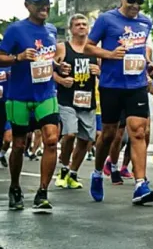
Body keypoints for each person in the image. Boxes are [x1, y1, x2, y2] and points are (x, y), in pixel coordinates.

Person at [86, 0, 153, 205]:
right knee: (108, 135)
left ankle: (140, 184)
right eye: (132, 1)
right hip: (111, 85)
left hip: (136, 85)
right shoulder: (107, 20)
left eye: (139, 2)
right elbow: (88, 47)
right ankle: (97, 172)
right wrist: (109, 54)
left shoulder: (145, 22)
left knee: (138, 132)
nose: (135, 6)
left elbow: (141, 50)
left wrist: (149, 65)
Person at [0, 0, 65, 211]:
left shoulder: (51, 30)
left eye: (47, 3)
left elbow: (49, 58)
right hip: (19, 96)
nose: (44, 7)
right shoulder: (15, 30)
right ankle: (15, 187)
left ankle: (42, 192)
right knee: (18, 145)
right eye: (39, 4)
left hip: (46, 93)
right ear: (27, 5)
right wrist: (17, 57)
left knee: (51, 139)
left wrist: (59, 66)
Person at [54, 14, 100, 190]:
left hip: (87, 100)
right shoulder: (62, 48)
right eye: (78, 24)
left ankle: (73, 173)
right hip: (67, 100)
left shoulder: (95, 50)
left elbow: (105, 73)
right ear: (71, 29)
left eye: (84, 24)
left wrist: (99, 71)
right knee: (70, 133)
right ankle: (64, 168)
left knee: (86, 140)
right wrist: (60, 80)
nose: (81, 27)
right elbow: (48, 70)